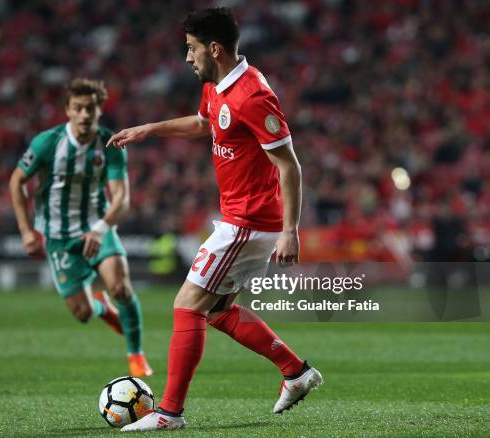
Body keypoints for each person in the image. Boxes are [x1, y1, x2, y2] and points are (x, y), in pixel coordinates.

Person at [107, 7, 322, 431]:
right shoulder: (217, 86)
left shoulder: (253, 95)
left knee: (186, 304)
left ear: (215, 48)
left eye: (191, 49)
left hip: (249, 222)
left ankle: (168, 414)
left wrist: (289, 231)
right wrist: (150, 128)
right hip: (238, 220)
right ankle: (296, 372)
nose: (187, 58)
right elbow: (204, 124)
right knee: (220, 310)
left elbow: (289, 165)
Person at [9, 78, 152, 378]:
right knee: (83, 313)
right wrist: (25, 231)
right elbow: (17, 181)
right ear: (67, 111)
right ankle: (101, 307)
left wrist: (99, 230)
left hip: (97, 228)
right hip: (59, 238)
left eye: (91, 108)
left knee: (121, 287)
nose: (85, 115)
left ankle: (136, 355)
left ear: (100, 110)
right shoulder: (47, 143)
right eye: (78, 108)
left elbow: (121, 200)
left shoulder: (110, 145)